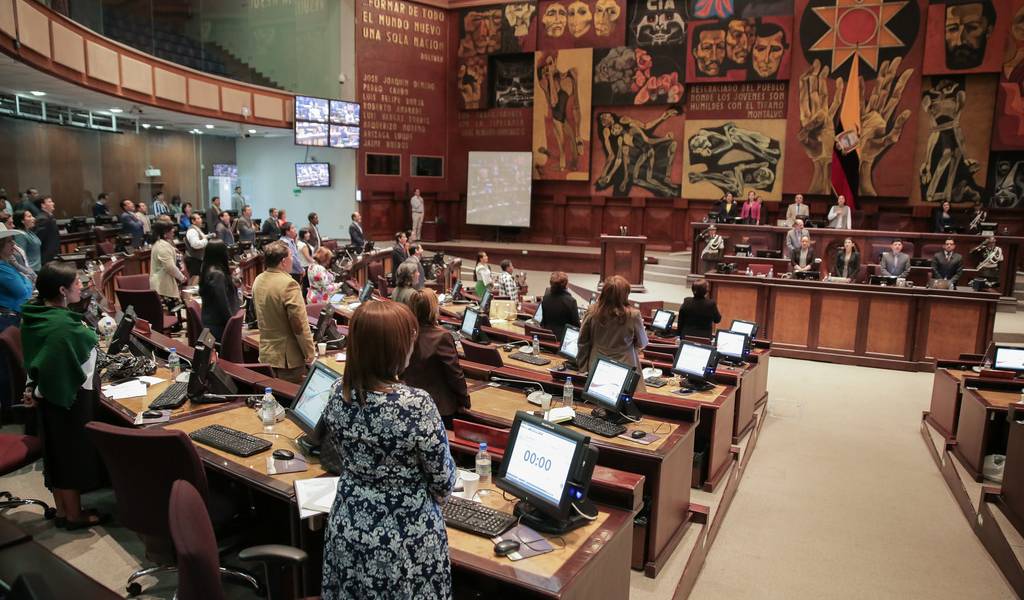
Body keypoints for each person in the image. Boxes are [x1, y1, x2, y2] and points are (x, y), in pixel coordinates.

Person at [320, 300, 456, 599]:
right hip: (405, 536)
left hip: (349, 523)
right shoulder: (417, 405)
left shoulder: (336, 394)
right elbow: (443, 481)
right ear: (396, 348)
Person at [21, 262, 107, 529]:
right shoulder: (63, 327)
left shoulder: (37, 314)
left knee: (56, 455)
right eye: (76, 283)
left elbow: (37, 358)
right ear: (61, 289)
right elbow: (73, 357)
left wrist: (32, 388)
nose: (81, 286)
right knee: (69, 456)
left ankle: (62, 510)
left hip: (46, 397)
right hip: (66, 398)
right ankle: (73, 515)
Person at [402, 289, 470, 428]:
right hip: (440, 409)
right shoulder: (441, 336)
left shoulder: (405, 333)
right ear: (433, 309)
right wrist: (465, 400)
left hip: (410, 403)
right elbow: (454, 374)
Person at [251, 241, 315, 383]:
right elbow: (298, 325)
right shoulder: (289, 284)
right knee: (289, 400)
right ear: (283, 261)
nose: (293, 259)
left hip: (266, 354)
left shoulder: (258, 280)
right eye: (291, 256)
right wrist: (310, 352)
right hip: (288, 359)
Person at [578, 275, 648, 391]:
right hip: (626, 367)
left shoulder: (592, 311)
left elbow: (582, 341)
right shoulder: (633, 315)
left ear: (604, 292)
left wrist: (583, 367)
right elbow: (643, 343)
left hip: (597, 364)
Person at [199, 240, 239, 341]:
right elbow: (222, 303)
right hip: (218, 326)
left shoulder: (207, 268)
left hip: (211, 321)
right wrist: (232, 323)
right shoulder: (217, 274)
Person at [149, 221, 186, 303]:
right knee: (168, 313)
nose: (173, 230)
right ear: (164, 233)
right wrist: (182, 278)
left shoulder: (162, 243)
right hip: (163, 286)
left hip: (164, 283)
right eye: (170, 229)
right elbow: (170, 267)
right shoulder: (162, 246)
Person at [539, 271, 580, 341]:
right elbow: (576, 326)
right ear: (566, 285)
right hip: (564, 340)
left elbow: (543, 322)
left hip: (547, 338)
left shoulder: (545, 298)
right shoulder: (571, 301)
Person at [185, 214, 213, 286]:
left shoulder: (196, 229)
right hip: (194, 259)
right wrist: (206, 240)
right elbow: (195, 244)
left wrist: (208, 236)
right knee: (194, 281)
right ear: (193, 221)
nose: (201, 220)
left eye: (200, 218)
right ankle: (189, 297)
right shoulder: (192, 231)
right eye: (198, 218)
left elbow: (201, 237)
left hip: (198, 258)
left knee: (198, 280)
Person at [34, 196, 60, 264]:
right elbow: (39, 240)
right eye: (50, 202)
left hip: (52, 254)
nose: (53, 203)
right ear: (43, 205)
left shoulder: (48, 217)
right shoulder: (42, 219)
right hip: (47, 256)